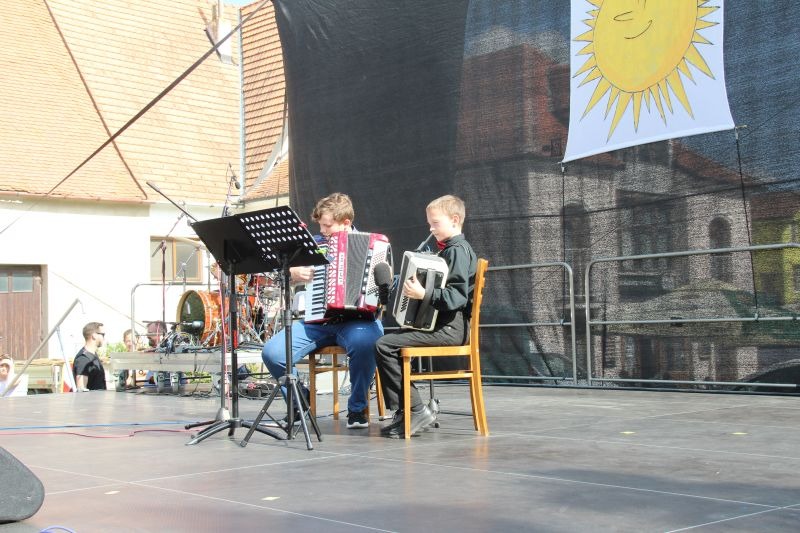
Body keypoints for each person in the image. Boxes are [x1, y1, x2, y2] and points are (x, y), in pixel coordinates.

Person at [261, 193, 384, 429]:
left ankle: (357, 408)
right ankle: (299, 400)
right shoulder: (314, 244)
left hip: (358, 321)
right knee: (272, 353)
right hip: (318, 320)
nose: (322, 230)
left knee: (366, 343)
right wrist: (292, 273)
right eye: (320, 225)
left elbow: (382, 286)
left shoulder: (373, 245)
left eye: (327, 225)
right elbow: (280, 271)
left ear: (346, 223)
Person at [375, 194, 477, 438]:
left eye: (435, 223)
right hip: (442, 327)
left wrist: (424, 293)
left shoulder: (457, 252)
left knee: (385, 345)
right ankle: (408, 411)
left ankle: (415, 410)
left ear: (455, 220)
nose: (431, 229)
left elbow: (457, 297)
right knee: (389, 343)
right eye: (429, 224)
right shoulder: (448, 251)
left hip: (450, 330)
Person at [73, 322, 107, 391]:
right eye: (103, 335)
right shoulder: (83, 359)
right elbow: (81, 390)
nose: (104, 338)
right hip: (92, 398)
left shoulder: (93, 355)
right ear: (94, 336)